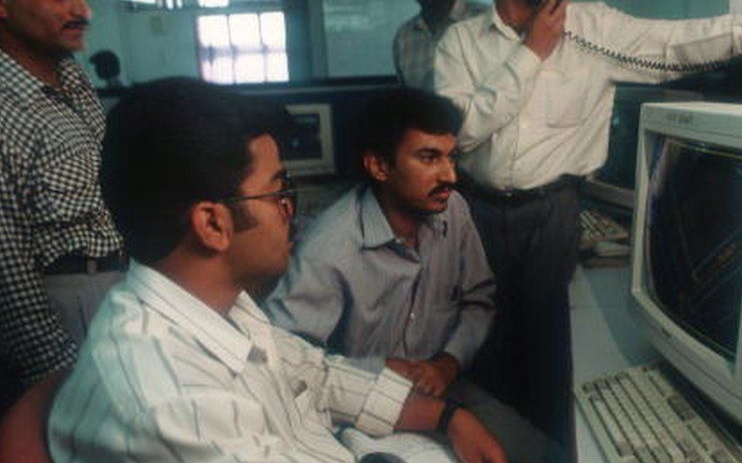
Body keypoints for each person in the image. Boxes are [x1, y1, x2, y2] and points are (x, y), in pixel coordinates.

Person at [433, 0, 742, 447]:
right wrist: (532, 55)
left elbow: (675, 43)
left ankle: (557, 451)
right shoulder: (458, 44)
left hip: (552, 212)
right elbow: (460, 134)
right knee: (483, 346)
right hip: (475, 212)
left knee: (552, 351)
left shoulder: (593, 28)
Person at [47, 79, 506, 463]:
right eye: (278, 192)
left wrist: (448, 418)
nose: (292, 212)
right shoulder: (171, 403)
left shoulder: (221, 305)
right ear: (212, 224)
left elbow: (320, 376)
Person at [264, 89, 554, 461]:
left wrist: (448, 363)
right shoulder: (330, 248)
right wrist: (381, 368)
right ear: (379, 167)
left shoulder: (454, 211)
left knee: (549, 456)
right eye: (429, 158)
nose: (449, 175)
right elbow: (285, 362)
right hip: (361, 410)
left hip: (449, 388)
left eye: (451, 157)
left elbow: (479, 300)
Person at [0, 0, 124, 411]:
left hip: (119, 286)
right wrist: (58, 378)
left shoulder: (72, 79)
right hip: (64, 306)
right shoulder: (6, 108)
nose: (82, 11)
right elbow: (8, 270)